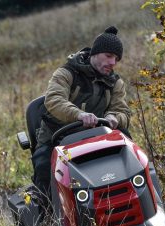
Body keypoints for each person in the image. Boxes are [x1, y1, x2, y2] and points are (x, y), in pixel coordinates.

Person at [32, 26, 132, 206]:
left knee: (130, 151)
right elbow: (54, 100)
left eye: (116, 59)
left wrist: (114, 118)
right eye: (109, 56)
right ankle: (48, 222)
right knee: (43, 169)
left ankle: (137, 202)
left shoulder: (115, 83)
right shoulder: (66, 73)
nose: (113, 63)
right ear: (95, 53)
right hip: (57, 138)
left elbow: (122, 111)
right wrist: (79, 115)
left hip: (97, 137)